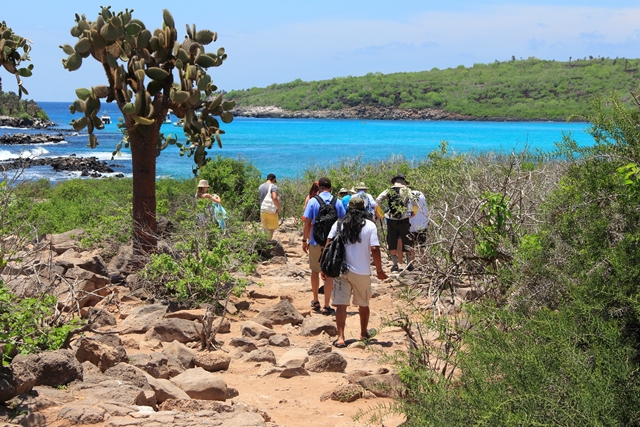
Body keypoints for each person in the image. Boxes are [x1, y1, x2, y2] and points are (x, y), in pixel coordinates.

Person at [325, 196, 388, 348]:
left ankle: (340, 337)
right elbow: (374, 248)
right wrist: (379, 269)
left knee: (340, 304)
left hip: (341, 271)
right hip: (362, 271)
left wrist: (325, 268)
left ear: (348, 208)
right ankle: (363, 333)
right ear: (363, 209)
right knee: (363, 304)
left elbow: (328, 244)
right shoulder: (370, 226)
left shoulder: (339, 224)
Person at [302, 177, 346, 315]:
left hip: (315, 241)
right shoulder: (337, 202)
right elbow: (343, 221)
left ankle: (315, 300)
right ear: (331, 188)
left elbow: (307, 222)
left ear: (319, 187)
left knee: (315, 271)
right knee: (329, 274)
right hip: (332, 243)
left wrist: (305, 240)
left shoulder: (313, 201)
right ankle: (327, 305)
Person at [375, 173, 417, 272]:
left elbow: (377, 200)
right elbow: (415, 202)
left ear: (394, 181)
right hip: (404, 219)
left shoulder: (389, 190)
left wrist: (380, 213)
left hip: (391, 219)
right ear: (404, 181)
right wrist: (413, 213)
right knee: (407, 240)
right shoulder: (407, 190)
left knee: (392, 241)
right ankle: (409, 264)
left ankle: (394, 265)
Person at [258, 174, 280, 238]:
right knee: (271, 228)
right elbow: (274, 197)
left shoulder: (260, 186)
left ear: (266, 179)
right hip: (271, 210)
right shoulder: (273, 187)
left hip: (262, 209)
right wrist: (278, 206)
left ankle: (265, 242)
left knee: (265, 228)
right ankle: (269, 242)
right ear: (274, 179)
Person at [409, 189, 429, 259]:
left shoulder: (408, 195)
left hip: (411, 225)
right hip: (422, 224)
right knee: (422, 244)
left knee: (411, 245)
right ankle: (423, 262)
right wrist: (427, 220)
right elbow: (426, 209)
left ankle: (412, 262)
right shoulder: (422, 195)